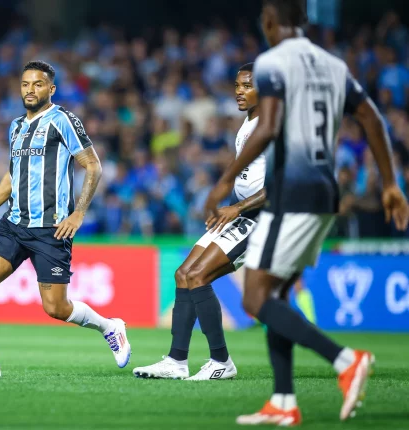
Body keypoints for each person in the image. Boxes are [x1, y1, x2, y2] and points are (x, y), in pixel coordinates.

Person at [203, 0, 409, 425]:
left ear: (271, 21)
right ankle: (283, 402)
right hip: (325, 191)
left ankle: (345, 360)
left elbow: (269, 125)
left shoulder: (274, 63)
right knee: (275, 294)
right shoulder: (333, 65)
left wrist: (227, 179)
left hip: (290, 191)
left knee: (256, 297)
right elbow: (371, 118)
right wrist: (391, 183)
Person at [0, 61, 131, 377]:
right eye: (25, 84)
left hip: (52, 228)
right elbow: (12, 176)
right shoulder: (16, 126)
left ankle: (110, 327)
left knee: (56, 308)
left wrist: (79, 212)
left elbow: (93, 165)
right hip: (14, 223)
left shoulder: (62, 120)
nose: (30, 90)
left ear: (51, 89)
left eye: (37, 84)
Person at [133, 63, 266, 381]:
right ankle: (176, 361)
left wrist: (239, 208)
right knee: (184, 274)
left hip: (260, 218)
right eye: (237, 85)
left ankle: (221, 361)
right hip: (240, 212)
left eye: (247, 86)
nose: (239, 91)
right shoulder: (248, 125)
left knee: (199, 275)